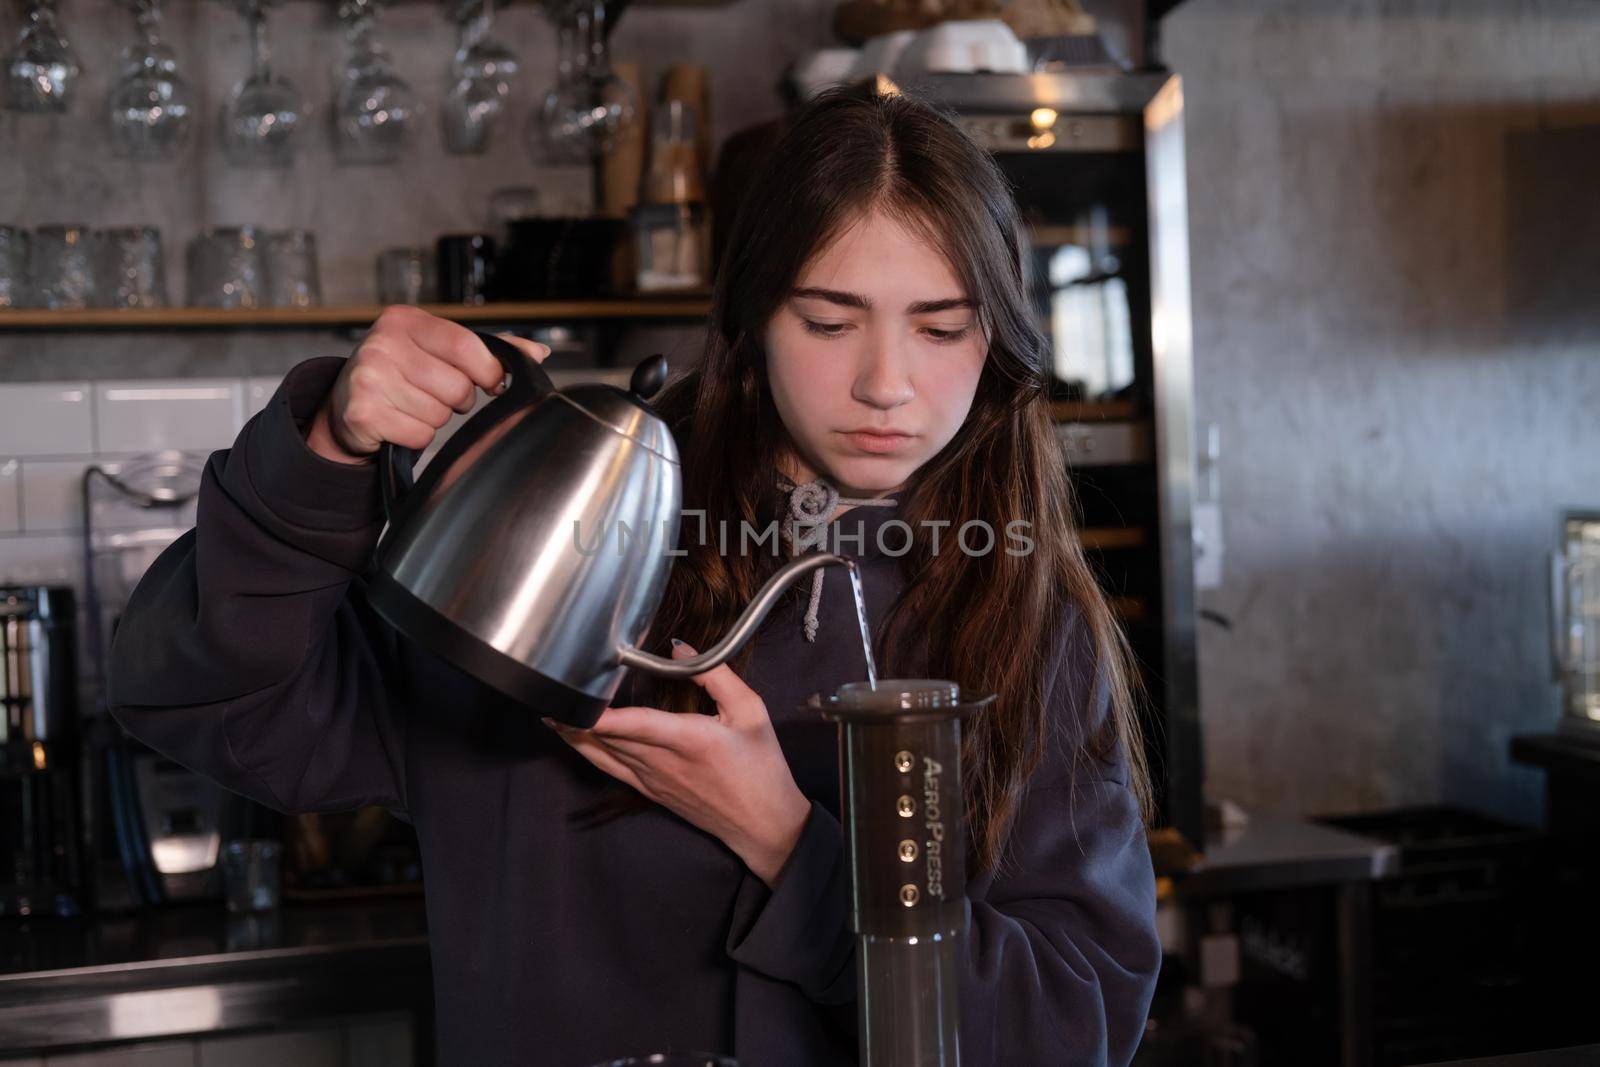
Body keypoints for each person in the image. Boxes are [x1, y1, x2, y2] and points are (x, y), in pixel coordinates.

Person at [108, 80, 1160, 1066]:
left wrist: (789, 842)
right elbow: (203, 699)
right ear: (749, 319)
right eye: (829, 322)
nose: (887, 383)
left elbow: (1070, 1028)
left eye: (941, 327)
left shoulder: (1022, 612)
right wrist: (326, 450)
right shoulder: (569, 534)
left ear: (999, 339)